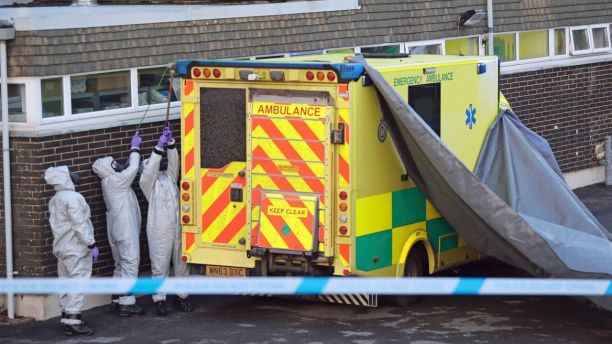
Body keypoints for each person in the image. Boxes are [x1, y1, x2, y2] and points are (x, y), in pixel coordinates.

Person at [140, 125, 194, 316]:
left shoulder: (170, 179)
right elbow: (149, 172)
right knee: (160, 265)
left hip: (177, 227)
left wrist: (171, 144)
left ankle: (182, 295)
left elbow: (174, 164)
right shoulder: (148, 185)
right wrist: (158, 148)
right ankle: (159, 299)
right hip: (158, 230)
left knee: (181, 263)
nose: (159, 166)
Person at [92, 132, 145, 317]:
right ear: (108, 169)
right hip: (125, 230)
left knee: (120, 264)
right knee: (130, 262)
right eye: (114, 164)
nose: (118, 164)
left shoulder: (110, 182)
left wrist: (130, 160)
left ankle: (116, 297)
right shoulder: (114, 182)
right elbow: (131, 170)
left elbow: (127, 171)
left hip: (116, 230)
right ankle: (126, 302)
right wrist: (135, 148)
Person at [44, 165, 98, 336]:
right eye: (70, 173)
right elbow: (79, 224)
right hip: (75, 247)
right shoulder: (73, 198)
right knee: (78, 282)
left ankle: (68, 318)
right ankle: (74, 321)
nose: (74, 176)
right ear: (64, 178)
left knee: (66, 282)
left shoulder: (55, 199)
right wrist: (91, 244)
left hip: (61, 247)